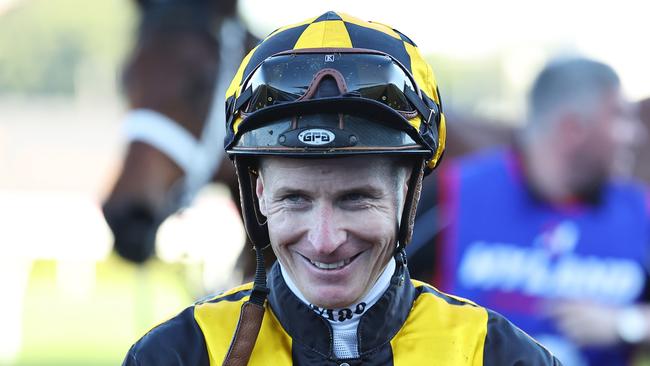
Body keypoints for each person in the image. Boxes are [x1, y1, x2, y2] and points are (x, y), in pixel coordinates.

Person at [122, 11, 560, 365]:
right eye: (295, 199)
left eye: (355, 199)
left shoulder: (499, 355)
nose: (325, 240)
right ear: (258, 195)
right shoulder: (176, 355)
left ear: (407, 191)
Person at [408, 57, 650, 366]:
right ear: (572, 129)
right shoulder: (455, 193)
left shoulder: (639, 212)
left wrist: (626, 324)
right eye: (620, 118)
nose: (636, 135)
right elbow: (379, 292)